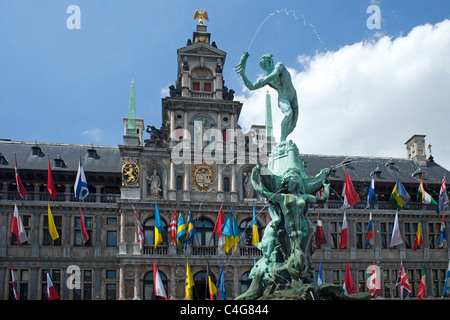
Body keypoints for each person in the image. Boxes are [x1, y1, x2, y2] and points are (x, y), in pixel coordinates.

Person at [236, 52, 299, 142]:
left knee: (293, 124)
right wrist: (243, 74)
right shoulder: (267, 79)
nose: (267, 66)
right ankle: (283, 139)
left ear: (271, 62)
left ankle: (285, 139)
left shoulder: (279, 66)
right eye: (264, 66)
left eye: (268, 63)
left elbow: (275, 74)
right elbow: (251, 87)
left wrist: (263, 81)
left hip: (292, 95)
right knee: (288, 114)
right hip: (283, 97)